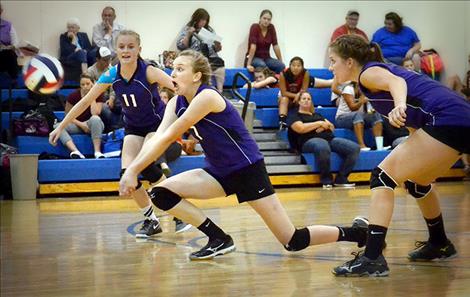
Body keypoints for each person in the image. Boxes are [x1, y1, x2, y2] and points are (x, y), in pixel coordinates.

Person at [118, 49, 369, 260]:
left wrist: (132, 170)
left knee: (292, 240)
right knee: (161, 193)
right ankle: (219, 238)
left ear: (197, 75)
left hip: (247, 170)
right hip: (218, 171)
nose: (173, 74)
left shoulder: (207, 96)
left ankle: (357, 233)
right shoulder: (175, 102)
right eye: (173, 69)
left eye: (180, 69)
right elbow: (158, 138)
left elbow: (167, 136)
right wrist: (134, 168)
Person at [328, 35, 470, 277]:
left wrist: (399, 105)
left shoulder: (367, 73)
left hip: (447, 119)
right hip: (458, 119)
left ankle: (372, 258)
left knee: (382, 177)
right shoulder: (373, 73)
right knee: (417, 181)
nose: (331, 67)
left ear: (349, 62)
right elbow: (417, 117)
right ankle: (440, 243)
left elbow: (397, 84)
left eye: (333, 61)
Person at [50, 30, 177, 238]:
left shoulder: (149, 72)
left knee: (145, 166)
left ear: (139, 50)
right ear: (116, 50)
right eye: (122, 47)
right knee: (127, 174)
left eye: (130, 46)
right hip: (133, 128)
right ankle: (151, 220)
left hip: (156, 125)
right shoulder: (111, 74)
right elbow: (84, 101)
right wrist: (61, 126)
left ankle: (177, 207)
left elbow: (178, 87)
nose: (126, 50)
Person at [289, 91, 360, 188]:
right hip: (308, 141)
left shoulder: (317, 115)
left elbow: (331, 126)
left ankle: (341, 178)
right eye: (304, 99)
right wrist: (319, 124)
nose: (306, 101)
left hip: (329, 139)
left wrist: (323, 126)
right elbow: (301, 128)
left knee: (354, 148)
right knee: (322, 145)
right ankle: (326, 179)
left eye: (309, 99)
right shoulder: (294, 115)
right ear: (299, 101)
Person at [53, 73, 105, 159]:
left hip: (93, 125)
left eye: (88, 84)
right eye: (82, 84)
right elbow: (67, 115)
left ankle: (97, 151)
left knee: (95, 119)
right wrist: (81, 125)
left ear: (93, 84)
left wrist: (91, 96)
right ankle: (75, 151)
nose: (85, 86)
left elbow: (95, 113)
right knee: (58, 126)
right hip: (77, 124)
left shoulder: (98, 94)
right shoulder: (73, 96)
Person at [176, 8, 225, 92]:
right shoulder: (188, 28)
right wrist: (188, 35)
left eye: (205, 20)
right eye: (202, 20)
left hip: (209, 56)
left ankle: (220, 90)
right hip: (195, 57)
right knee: (201, 65)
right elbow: (181, 46)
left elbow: (216, 49)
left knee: (220, 63)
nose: (204, 22)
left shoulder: (209, 30)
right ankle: (203, 90)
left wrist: (218, 45)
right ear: (196, 19)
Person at [332, 81, 385, 151]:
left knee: (375, 115)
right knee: (358, 115)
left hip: (359, 118)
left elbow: (368, 111)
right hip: (342, 118)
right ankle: (361, 145)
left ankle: (379, 146)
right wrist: (361, 101)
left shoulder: (366, 93)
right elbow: (352, 108)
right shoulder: (348, 89)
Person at [87, 47, 122, 132]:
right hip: (97, 99)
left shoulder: (111, 69)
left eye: (109, 59)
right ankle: (112, 131)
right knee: (107, 110)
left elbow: (114, 86)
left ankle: (120, 130)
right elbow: (90, 91)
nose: (107, 62)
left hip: (110, 96)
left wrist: (111, 98)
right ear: (97, 59)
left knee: (123, 105)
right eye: (104, 60)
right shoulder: (90, 71)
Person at [245, 10, 285, 74]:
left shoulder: (271, 28)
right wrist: (248, 64)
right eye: (264, 18)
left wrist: (281, 61)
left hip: (266, 58)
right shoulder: (255, 27)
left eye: (269, 19)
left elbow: (275, 45)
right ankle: (271, 78)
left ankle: (273, 81)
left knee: (281, 66)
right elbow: (253, 46)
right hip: (254, 58)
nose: (266, 21)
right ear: (260, 18)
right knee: (262, 65)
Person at [0, 3, 19, 79]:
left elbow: (15, 43)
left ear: (0, 11)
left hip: (5, 55)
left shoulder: (8, 25)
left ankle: (14, 80)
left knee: (11, 54)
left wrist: (11, 47)